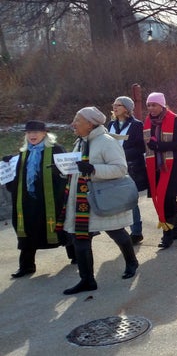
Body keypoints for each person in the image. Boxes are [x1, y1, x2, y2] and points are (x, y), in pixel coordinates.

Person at [59, 107, 139, 295]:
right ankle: (87, 280)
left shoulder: (107, 142)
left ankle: (131, 261)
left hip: (102, 197)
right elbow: (77, 168)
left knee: (117, 233)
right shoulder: (80, 142)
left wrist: (93, 169)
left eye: (77, 120)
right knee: (80, 239)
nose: (73, 123)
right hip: (80, 201)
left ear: (90, 123)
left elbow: (120, 169)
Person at [3, 121, 74, 278]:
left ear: (45, 133)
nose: (32, 135)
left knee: (61, 227)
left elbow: (66, 173)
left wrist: (57, 174)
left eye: (36, 132)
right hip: (29, 200)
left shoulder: (56, 150)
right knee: (27, 230)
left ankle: (75, 256)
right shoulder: (22, 154)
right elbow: (13, 182)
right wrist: (9, 167)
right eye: (28, 133)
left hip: (52, 199)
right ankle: (27, 266)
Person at [143, 92, 177, 248]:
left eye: (154, 105)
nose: (151, 108)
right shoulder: (149, 121)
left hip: (171, 167)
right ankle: (176, 231)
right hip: (155, 167)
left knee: (167, 200)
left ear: (162, 105)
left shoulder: (174, 120)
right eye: (148, 105)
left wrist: (160, 146)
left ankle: (167, 234)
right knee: (168, 200)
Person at [108, 96, 148, 245]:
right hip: (113, 167)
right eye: (114, 104)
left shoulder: (136, 125)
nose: (115, 107)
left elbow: (141, 148)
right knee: (119, 200)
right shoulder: (111, 124)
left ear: (126, 108)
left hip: (130, 167)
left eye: (118, 105)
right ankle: (123, 230)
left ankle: (136, 232)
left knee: (130, 200)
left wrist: (122, 153)